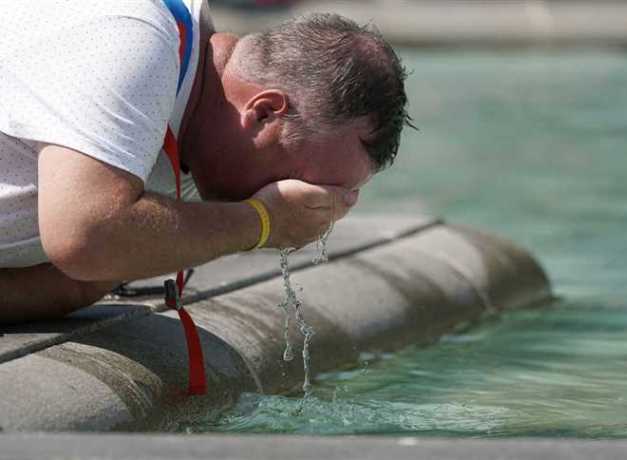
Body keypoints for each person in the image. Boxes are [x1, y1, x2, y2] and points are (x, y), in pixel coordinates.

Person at [0, 0, 410, 323]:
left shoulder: (186, 131)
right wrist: (262, 221)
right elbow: (86, 236)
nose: (299, 200)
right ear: (264, 112)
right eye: (301, 182)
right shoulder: (134, 39)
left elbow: (77, 283)